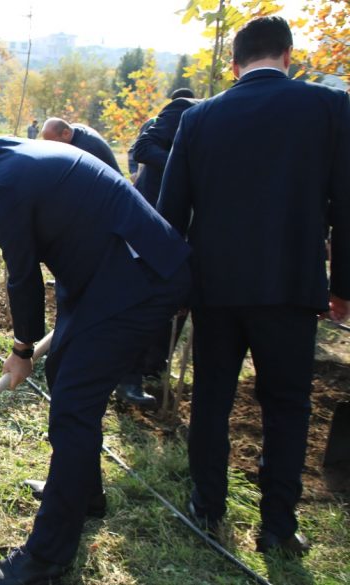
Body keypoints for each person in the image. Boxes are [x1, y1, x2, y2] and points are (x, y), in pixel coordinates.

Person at [0, 118, 190, 585]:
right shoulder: (11, 156)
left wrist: (22, 348)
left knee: (74, 404)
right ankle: (83, 493)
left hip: (136, 281)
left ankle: (44, 559)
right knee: (64, 374)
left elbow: (22, 275)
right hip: (103, 274)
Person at [157, 15, 350, 556]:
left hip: (215, 289)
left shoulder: (200, 118)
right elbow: (346, 205)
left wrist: (174, 288)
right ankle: (278, 528)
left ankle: (206, 504)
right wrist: (343, 284)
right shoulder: (330, 107)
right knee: (288, 406)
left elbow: (171, 212)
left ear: (235, 65)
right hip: (291, 286)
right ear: (289, 57)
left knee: (213, 399)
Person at [111, 87, 200, 407]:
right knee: (144, 298)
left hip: (183, 228)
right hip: (152, 219)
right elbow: (143, 147)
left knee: (174, 300)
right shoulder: (186, 109)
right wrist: (187, 166)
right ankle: (127, 377)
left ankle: (151, 367)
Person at [40, 117, 122, 175]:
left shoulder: (86, 149)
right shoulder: (74, 129)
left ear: (66, 133)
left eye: (54, 143)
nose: (53, 147)